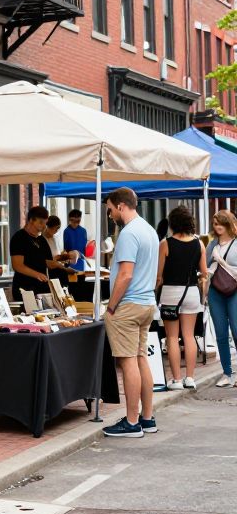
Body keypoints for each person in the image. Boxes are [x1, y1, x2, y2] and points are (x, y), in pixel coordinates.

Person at [102, 187, 160, 438]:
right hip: (147, 301)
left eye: (110, 209)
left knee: (128, 362)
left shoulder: (128, 233)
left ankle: (132, 422)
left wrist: (111, 306)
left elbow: (125, 274)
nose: (110, 213)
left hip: (128, 304)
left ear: (121, 206)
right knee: (140, 359)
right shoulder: (149, 230)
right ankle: (147, 418)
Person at [156, 206, 208, 391]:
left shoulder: (165, 244)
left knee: (171, 337)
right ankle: (190, 378)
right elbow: (203, 272)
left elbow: (159, 276)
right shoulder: (199, 244)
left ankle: (177, 380)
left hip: (170, 293)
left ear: (173, 223)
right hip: (191, 292)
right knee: (189, 335)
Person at [207, 209, 237, 388]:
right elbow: (206, 268)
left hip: (235, 290)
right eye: (215, 223)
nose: (217, 226)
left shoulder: (235, 243)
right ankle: (227, 373)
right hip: (215, 291)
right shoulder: (212, 245)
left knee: (236, 329)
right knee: (220, 333)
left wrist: (221, 261)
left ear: (229, 224)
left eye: (220, 223)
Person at [9, 206, 54, 301]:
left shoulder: (41, 239)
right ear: (31, 220)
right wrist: (37, 274)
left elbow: (47, 261)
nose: (44, 226)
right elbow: (17, 265)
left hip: (41, 288)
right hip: (24, 287)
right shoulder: (19, 238)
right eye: (41, 222)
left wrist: (59, 264)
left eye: (45, 223)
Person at [42, 215, 74, 286]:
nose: (56, 231)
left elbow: (57, 255)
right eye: (56, 228)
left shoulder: (55, 238)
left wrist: (65, 257)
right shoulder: (42, 240)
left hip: (59, 272)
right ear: (48, 227)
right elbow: (48, 261)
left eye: (58, 229)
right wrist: (61, 265)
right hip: (49, 273)